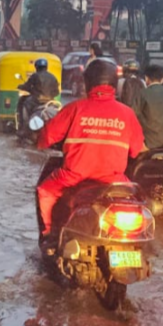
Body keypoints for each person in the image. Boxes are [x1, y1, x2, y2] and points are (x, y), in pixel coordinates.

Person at [36, 60, 144, 246]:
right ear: (113, 84)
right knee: (137, 200)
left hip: (74, 176)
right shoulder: (127, 113)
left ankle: (49, 236)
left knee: (45, 191)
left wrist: (39, 139)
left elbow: (45, 138)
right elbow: (136, 151)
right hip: (114, 180)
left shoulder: (75, 108)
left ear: (88, 83)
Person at [135, 64, 163, 151]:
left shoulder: (142, 93)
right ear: (162, 80)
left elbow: (134, 117)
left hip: (150, 144)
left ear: (146, 79)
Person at [18, 58, 61, 127]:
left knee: (24, 103)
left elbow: (27, 86)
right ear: (46, 67)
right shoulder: (53, 77)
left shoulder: (35, 75)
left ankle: (24, 125)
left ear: (36, 67)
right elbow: (57, 91)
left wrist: (20, 86)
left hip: (36, 100)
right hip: (50, 100)